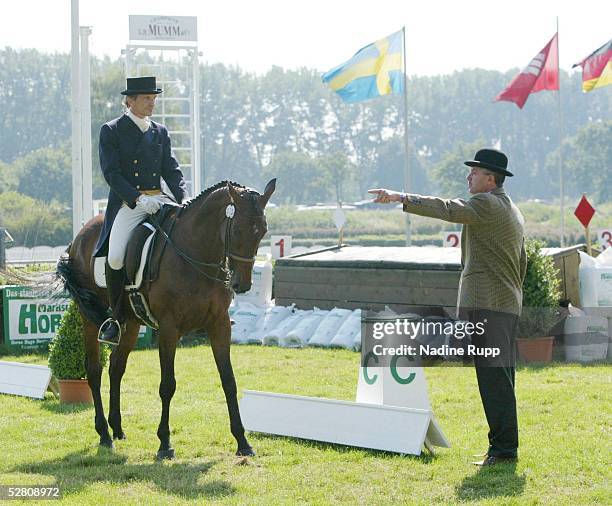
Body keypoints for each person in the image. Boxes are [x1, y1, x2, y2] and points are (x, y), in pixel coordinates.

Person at [368, 148, 526, 466]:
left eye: (475, 172)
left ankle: (504, 451)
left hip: (488, 306)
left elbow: (447, 209)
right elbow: (522, 261)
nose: (468, 176)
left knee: (494, 381)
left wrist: (400, 196)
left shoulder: (485, 204)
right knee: (501, 381)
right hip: (505, 304)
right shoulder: (511, 208)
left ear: (490, 178)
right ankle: (504, 447)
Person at [93, 76, 187, 345]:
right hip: (130, 204)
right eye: (147, 98)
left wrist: (182, 199)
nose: (152, 103)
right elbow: (111, 173)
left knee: (190, 236)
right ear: (130, 101)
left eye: (154, 98)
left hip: (160, 200)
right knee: (116, 257)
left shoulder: (160, 131)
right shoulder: (111, 130)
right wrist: (137, 199)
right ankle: (116, 317)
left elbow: (171, 169)